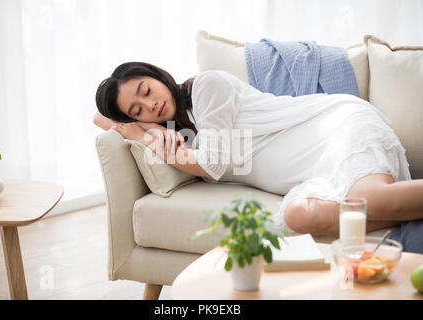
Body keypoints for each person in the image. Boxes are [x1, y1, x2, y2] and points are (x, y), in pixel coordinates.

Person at [94, 61, 423, 242]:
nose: (151, 104)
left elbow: (213, 165)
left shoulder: (207, 87)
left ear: (157, 76)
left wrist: (150, 138)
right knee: (299, 216)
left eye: (146, 90)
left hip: (336, 127)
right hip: (311, 175)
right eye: (138, 110)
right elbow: (99, 117)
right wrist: (147, 129)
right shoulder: (182, 130)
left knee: (370, 199)